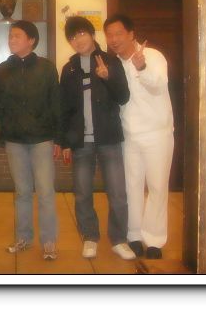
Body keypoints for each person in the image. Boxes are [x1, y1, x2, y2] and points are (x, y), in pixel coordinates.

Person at [59, 16, 135, 260]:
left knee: (118, 194)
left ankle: (119, 240)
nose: (77, 40)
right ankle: (90, 237)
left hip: (108, 138)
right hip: (81, 141)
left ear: (92, 35)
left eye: (81, 34)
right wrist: (65, 142)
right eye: (72, 37)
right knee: (82, 193)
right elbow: (64, 108)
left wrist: (107, 77)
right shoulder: (69, 69)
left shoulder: (111, 61)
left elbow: (123, 97)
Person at [104, 14, 174, 259]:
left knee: (157, 187)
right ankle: (133, 236)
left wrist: (141, 66)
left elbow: (159, 85)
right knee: (131, 187)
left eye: (118, 33)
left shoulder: (152, 56)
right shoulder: (112, 64)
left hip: (157, 134)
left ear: (131, 34)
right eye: (109, 35)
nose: (114, 39)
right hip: (129, 135)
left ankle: (154, 240)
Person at [0, 20, 61, 260]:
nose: (11, 40)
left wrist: (58, 137)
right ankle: (23, 238)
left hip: (42, 138)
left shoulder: (46, 68)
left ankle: (49, 242)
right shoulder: (3, 69)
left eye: (17, 36)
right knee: (22, 191)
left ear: (31, 40)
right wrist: (3, 132)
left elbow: (55, 102)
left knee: (45, 191)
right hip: (14, 140)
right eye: (10, 36)